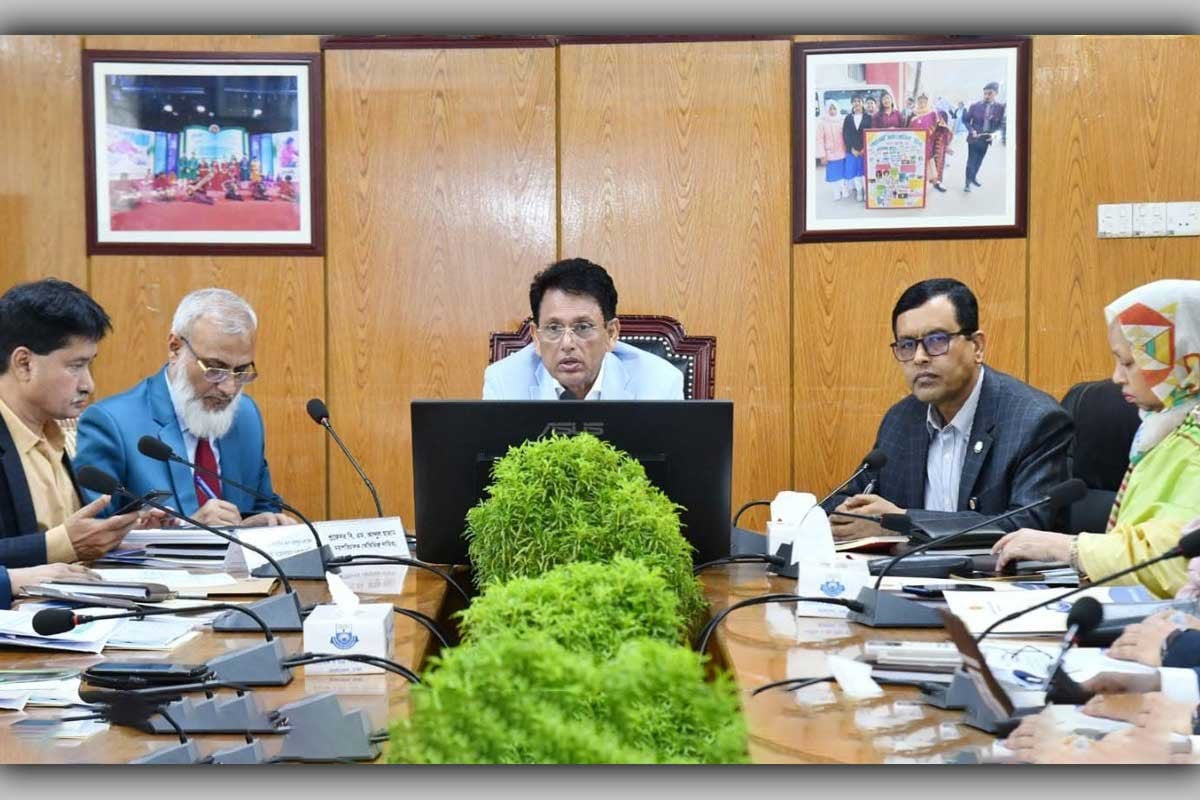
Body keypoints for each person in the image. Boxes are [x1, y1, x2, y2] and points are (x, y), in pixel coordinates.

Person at [993, 280, 1200, 598]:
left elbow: (1179, 563)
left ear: (1184, 358)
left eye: (1129, 362)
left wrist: (1070, 548)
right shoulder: (1167, 429)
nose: (1117, 377)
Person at [827, 278, 1072, 541]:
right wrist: (844, 514)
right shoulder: (901, 420)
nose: (919, 358)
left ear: (977, 347)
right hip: (904, 567)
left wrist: (902, 523)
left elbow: (1028, 524)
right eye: (907, 345)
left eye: (936, 340)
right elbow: (849, 497)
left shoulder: (1035, 420)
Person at [75, 288, 293, 528]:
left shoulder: (246, 416)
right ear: (175, 348)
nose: (229, 389)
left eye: (241, 371)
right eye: (215, 369)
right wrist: (189, 528)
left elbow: (262, 504)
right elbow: (93, 534)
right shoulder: (112, 423)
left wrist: (261, 522)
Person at [0, 279, 147, 568]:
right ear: (24, 363)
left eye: (89, 365)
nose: (89, 385)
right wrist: (63, 544)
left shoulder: (55, 435)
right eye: (75, 366)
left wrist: (118, 533)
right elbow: (60, 543)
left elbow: (72, 538)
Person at [483, 258, 683, 401]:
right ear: (536, 337)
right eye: (554, 328)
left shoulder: (659, 383)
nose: (567, 344)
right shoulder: (504, 382)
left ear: (611, 334)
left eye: (582, 327)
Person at [963, 81, 1006, 193]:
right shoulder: (975, 106)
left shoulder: (1000, 108)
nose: (986, 96)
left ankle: (973, 177)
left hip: (986, 139)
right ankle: (967, 183)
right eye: (985, 93)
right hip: (974, 138)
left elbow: (1000, 125)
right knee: (971, 161)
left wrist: (994, 136)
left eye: (989, 93)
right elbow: (966, 120)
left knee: (979, 161)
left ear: (996, 93)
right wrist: (971, 130)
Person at [814, 100, 848, 202]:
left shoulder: (842, 121)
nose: (832, 111)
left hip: (842, 152)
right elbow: (819, 140)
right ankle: (836, 192)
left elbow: (846, 136)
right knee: (833, 175)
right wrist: (822, 155)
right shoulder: (822, 123)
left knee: (842, 173)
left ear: (837, 109)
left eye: (834, 108)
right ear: (826, 110)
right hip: (830, 153)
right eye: (830, 109)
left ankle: (844, 189)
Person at [841, 94, 868, 202]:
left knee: (865, 172)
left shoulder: (868, 117)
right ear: (852, 103)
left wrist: (865, 148)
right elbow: (845, 134)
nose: (857, 103)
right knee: (856, 173)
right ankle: (859, 191)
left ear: (862, 103)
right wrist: (851, 149)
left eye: (859, 101)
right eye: (854, 101)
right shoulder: (848, 118)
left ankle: (866, 192)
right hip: (852, 150)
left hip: (865, 150)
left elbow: (871, 133)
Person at [907, 93, 939, 180]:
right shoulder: (913, 114)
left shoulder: (932, 113)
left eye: (924, 102)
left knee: (928, 163)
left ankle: (928, 181)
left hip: (928, 142)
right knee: (916, 162)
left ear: (927, 102)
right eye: (920, 102)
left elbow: (938, 126)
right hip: (915, 143)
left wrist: (930, 132)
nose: (922, 103)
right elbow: (908, 128)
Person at [928, 110, 955, 193]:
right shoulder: (932, 127)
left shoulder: (945, 130)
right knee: (930, 166)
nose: (940, 121)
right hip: (929, 148)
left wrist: (947, 148)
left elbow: (948, 138)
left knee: (939, 164)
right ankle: (932, 180)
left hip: (939, 150)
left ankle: (937, 182)